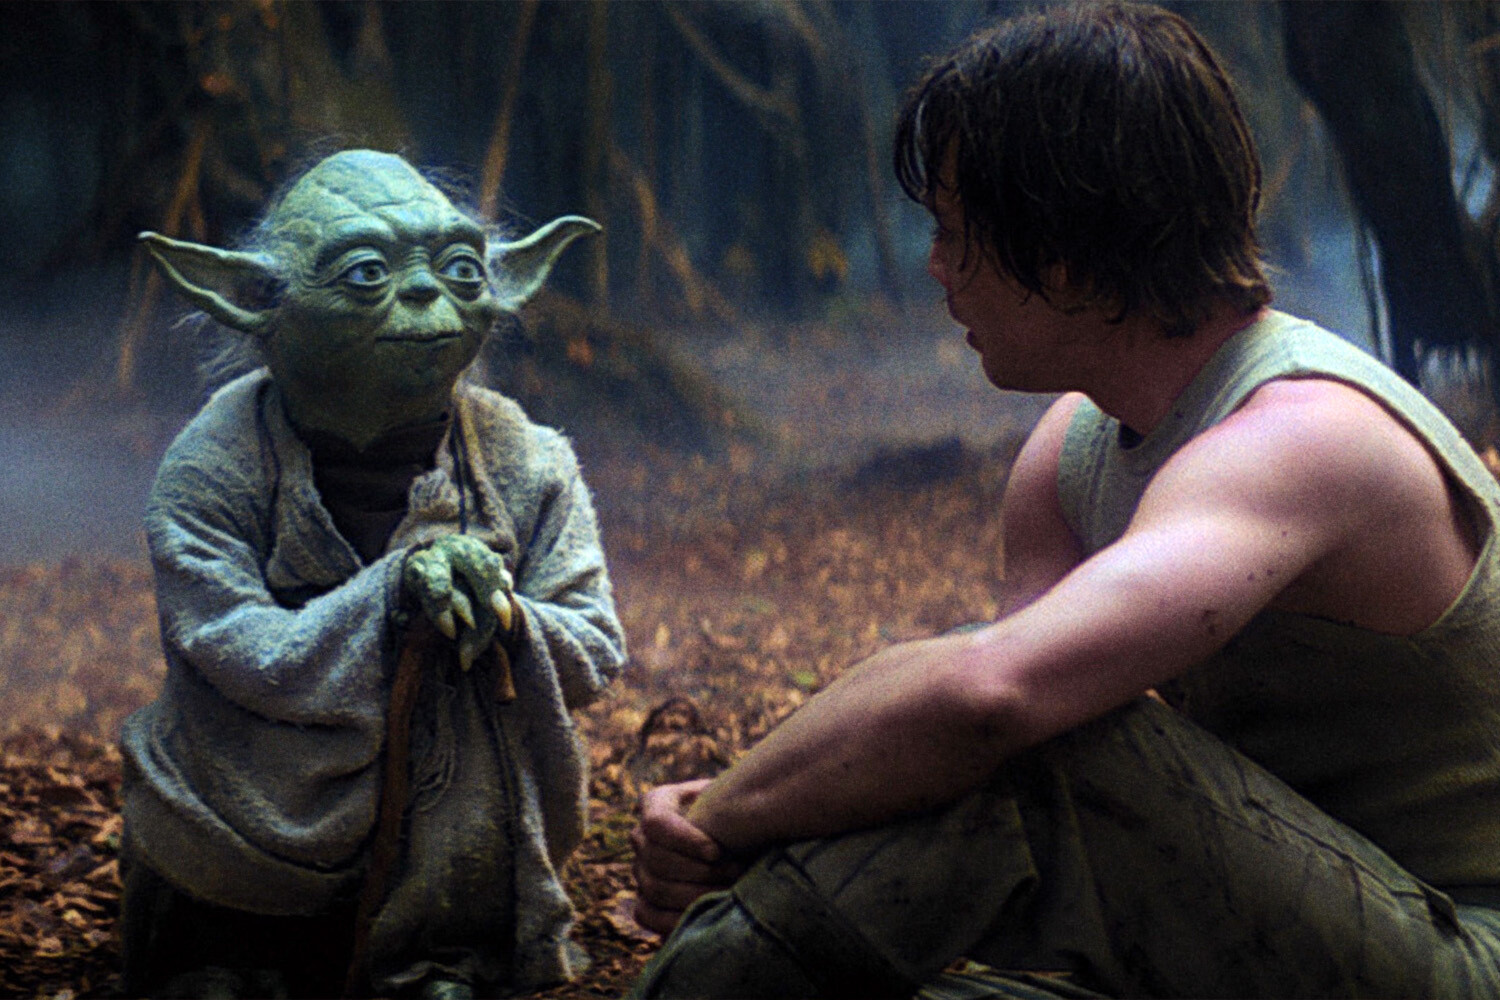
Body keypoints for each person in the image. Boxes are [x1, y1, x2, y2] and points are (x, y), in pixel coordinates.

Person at [629, 5, 1500, 997]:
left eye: (955, 233)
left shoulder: (1300, 436)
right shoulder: (1074, 448)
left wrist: (725, 817)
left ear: (1066, 253)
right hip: (1253, 955)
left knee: (1050, 734)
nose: (934, 268)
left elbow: (996, 701)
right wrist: (743, 820)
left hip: (1459, 956)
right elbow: (959, 737)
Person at [118, 150, 626, 999]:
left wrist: (499, 616)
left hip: (451, 833)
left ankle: (442, 957)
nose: (426, 294)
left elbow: (594, 640)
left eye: (459, 268)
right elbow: (225, 641)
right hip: (245, 825)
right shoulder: (214, 464)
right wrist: (393, 593)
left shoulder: (527, 462)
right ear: (258, 299)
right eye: (365, 273)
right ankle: (228, 954)